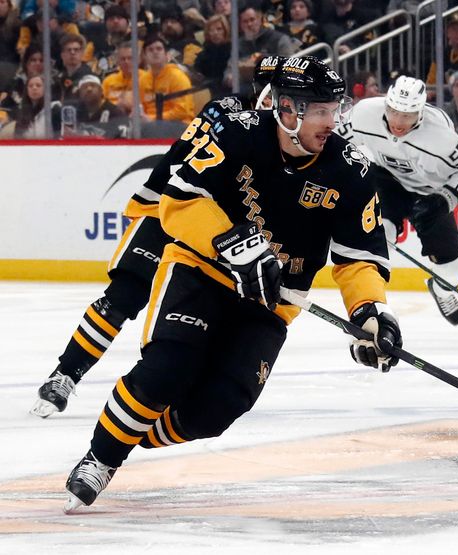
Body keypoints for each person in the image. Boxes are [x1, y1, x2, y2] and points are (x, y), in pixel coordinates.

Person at [62, 56, 399, 512]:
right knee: (167, 370)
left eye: (333, 109)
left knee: (219, 409)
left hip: (269, 303)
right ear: (285, 110)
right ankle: (102, 457)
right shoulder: (236, 132)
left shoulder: (351, 169)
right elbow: (179, 200)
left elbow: (360, 258)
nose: (330, 121)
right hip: (201, 272)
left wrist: (370, 314)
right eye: (318, 110)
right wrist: (230, 242)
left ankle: (132, 432)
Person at [31, 59, 279, 419]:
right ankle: (64, 375)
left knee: (204, 316)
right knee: (123, 296)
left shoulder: (290, 136)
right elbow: (183, 161)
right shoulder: (226, 111)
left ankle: (170, 391)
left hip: (220, 232)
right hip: (174, 209)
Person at [337, 75, 458, 325]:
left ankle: (442, 290)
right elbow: (334, 144)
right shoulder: (363, 114)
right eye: (393, 111)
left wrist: (444, 199)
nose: (398, 121)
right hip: (387, 180)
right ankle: (367, 305)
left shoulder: (441, 136)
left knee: (452, 269)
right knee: (381, 238)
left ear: (420, 113)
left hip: (430, 191)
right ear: (386, 103)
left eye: (407, 115)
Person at [140, 34, 195, 124]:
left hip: (179, 125)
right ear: (145, 56)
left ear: (167, 55)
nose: (155, 52)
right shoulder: (142, 80)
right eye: (150, 49)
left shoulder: (178, 76)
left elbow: (182, 111)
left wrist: (153, 119)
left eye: (159, 49)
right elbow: (140, 108)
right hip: (149, 126)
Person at [65, 73, 127, 137]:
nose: (89, 89)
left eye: (93, 86)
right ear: (79, 94)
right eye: (84, 87)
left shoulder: (115, 112)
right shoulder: (75, 111)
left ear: (101, 91)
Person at [101, 41, 147, 114]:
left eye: (130, 58)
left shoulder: (147, 79)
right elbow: (101, 104)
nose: (126, 62)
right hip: (112, 119)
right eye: (123, 59)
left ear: (139, 60)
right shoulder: (108, 80)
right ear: (118, 62)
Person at [193, 14, 231, 97]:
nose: (215, 33)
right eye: (211, 30)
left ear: (225, 30)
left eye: (219, 29)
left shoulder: (233, 50)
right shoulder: (204, 52)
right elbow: (197, 71)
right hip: (206, 89)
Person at [13, 72, 61, 137]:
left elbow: (58, 137)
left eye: (38, 85)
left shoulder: (54, 108)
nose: (34, 88)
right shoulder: (22, 112)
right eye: (30, 86)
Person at [57, 32, 95, 103]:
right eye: (69, 50)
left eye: (76, 49)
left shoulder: (89, 78)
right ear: (62, 55)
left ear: (82, 53)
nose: (72, 53)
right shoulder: (58, 79)